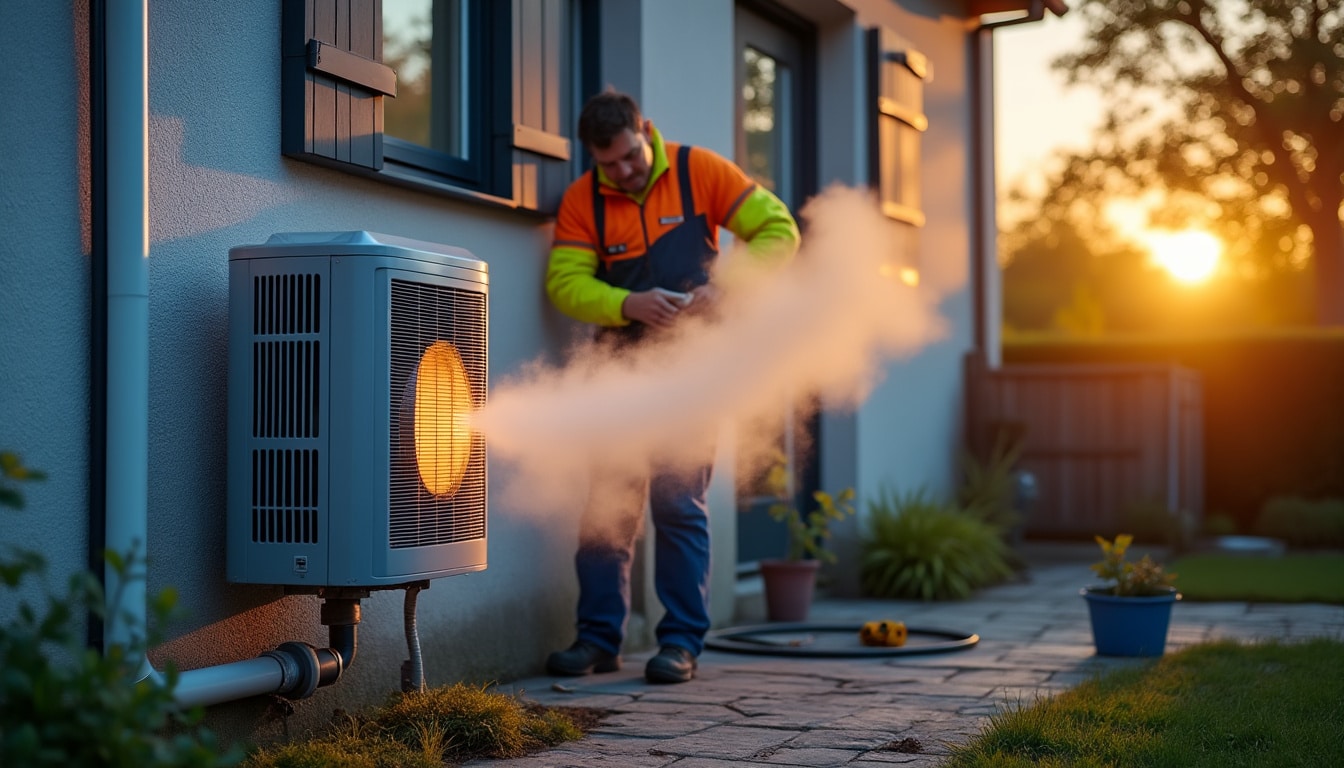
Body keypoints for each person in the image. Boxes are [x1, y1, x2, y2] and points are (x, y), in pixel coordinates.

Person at [543, 89, 800, 683]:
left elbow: (778, 230)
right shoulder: (584, 200)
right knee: (606, 511)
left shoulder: (698, 170)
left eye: (630, 156)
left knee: (677, 504)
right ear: (592, 157)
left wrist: (728, 287)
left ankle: (681, 643)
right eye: (609, 163)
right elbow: (565, 283)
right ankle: (598, 640)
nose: (624, 171)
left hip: (692, 374)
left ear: (645, 132)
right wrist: (629, 302)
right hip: (618, 376)